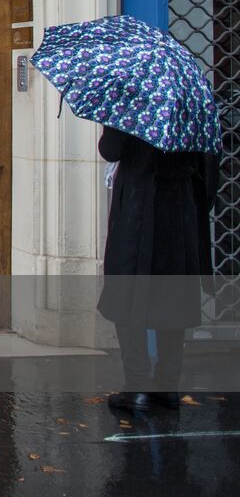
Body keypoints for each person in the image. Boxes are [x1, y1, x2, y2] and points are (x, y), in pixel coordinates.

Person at [97, 126, 219, 412]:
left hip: (139, 205)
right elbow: (208, 163)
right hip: (180, 206)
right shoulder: (188, 102)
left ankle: (137, 386)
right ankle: (168, 386)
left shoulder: (136, 99)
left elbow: (111, 150)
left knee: (126, 291)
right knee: (173, 295)